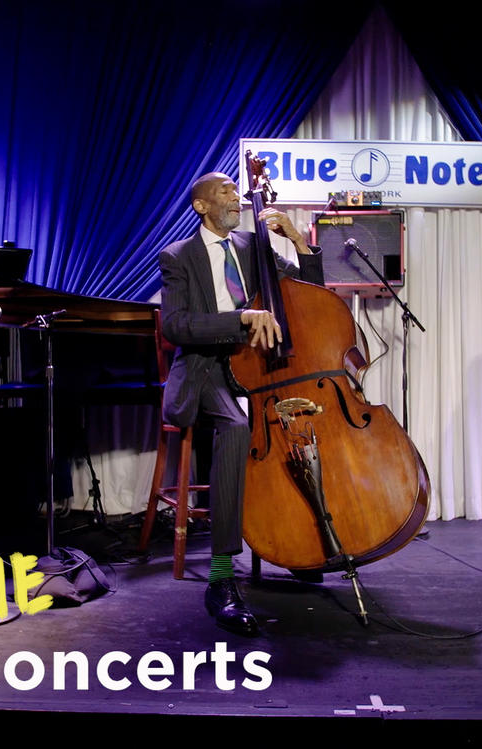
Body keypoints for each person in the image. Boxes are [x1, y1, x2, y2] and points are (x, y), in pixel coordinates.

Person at [159, 172, 324, 635]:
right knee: (235, 428)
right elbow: (177, 326)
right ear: (201, 206)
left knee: (306, 422)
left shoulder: (253, 247)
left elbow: (306, 293)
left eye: (237, 190)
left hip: (258, 368)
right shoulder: (178, 256)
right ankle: (221, 578)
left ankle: (297, 545)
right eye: (225, 192)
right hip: (207, 369)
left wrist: (299, 241)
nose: (236, 197)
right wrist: (240, 317)